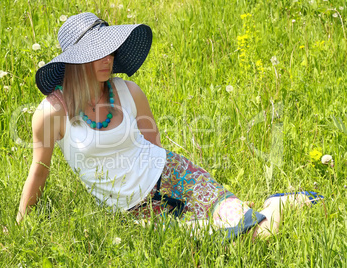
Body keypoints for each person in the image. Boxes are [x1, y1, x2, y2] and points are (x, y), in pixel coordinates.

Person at [16, 12, 323, 240]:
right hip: (131, 208)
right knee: (237, 238)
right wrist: (20, 225)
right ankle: (276, 206)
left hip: (172, 174)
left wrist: (180, 192)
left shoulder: (128, 92)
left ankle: (270, 206)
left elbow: (154, 147)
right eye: (97, 52)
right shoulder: (52, 112)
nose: (108, 58)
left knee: (250, 228)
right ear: (76, 60)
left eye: (110, 49)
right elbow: (39, 171)